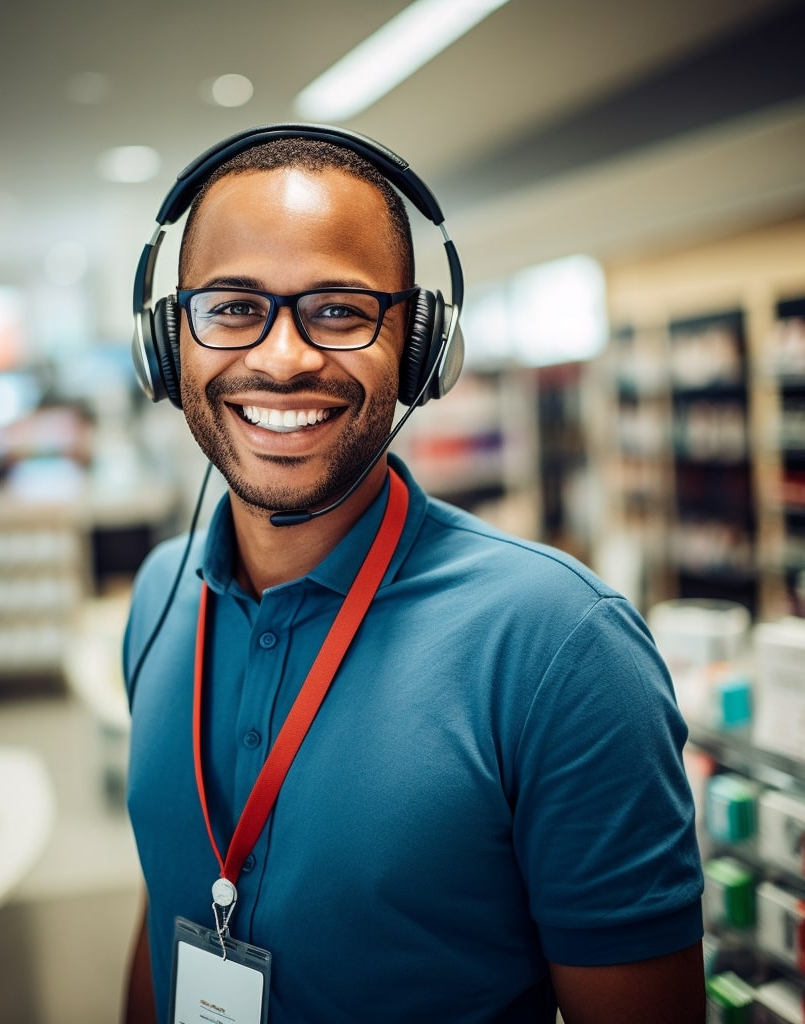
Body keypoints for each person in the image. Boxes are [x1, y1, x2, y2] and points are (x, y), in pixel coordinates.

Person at [122, 124, 705, 1023]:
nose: (282, 357)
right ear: (169, 342)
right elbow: (169, 901)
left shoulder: (560, 646)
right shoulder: (162, 596)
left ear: (424, 347)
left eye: (339, 309)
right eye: (234, 307)